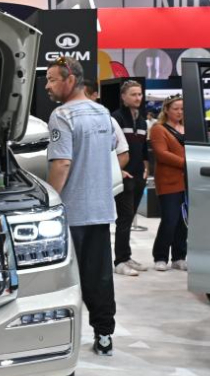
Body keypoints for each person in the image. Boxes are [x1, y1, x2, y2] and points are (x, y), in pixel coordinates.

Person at [45, 56, 118, 357]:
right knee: (99, 276)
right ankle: (104, 335)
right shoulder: (103, 113)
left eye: (52, 79)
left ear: (70, 80)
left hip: (71, 212)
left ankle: (54, 339)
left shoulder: (62, 115)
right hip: (100, 210)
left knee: (60, 278)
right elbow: (112, 148)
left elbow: (62, 163)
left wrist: (49, 201)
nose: (47, 86)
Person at [112, 80, 150, 276]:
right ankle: (120, 260)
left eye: (140, 94)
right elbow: (110, 148)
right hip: (124, 176)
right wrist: (118, 170)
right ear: (123, 97)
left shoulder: (142, 121)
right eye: (133, 94)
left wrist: (146, 168)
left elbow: (143, 149)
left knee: (130, 215)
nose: (138, 98)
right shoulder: (116, 119)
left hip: (138, 176)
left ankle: (126, 257)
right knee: (125, 217)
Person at [150, 95, 188, 271]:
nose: (179, 112)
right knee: (169, 220)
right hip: (168, 181)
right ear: (166, 110)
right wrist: (186, 163)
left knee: (183, 222)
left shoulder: (188, 128)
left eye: (182, 109)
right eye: (176, 109)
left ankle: (179, 256)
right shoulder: (159, 129)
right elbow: (162, 154)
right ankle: (160, 257)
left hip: (188, 181)